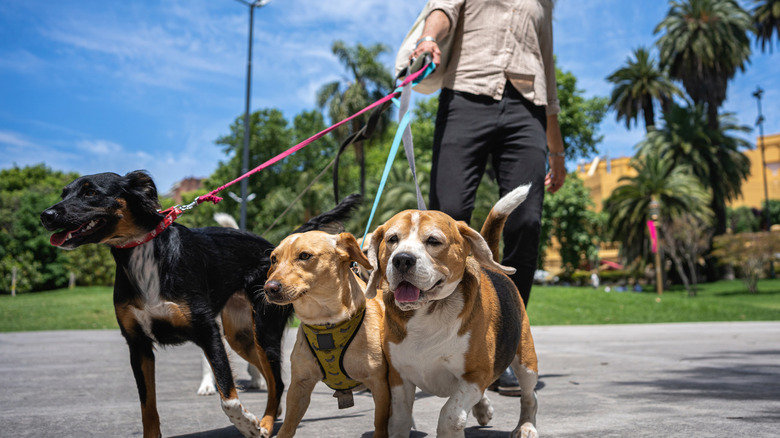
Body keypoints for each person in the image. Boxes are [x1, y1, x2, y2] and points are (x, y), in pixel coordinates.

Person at [410, 0, 566, 396]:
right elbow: (443, 8)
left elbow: (546, 67)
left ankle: (503, 348)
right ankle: (421, 342)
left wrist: (557, 150)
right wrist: (429, 39)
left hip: (527, 109)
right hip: (466, 96)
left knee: (526, 222)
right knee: (446, 217)